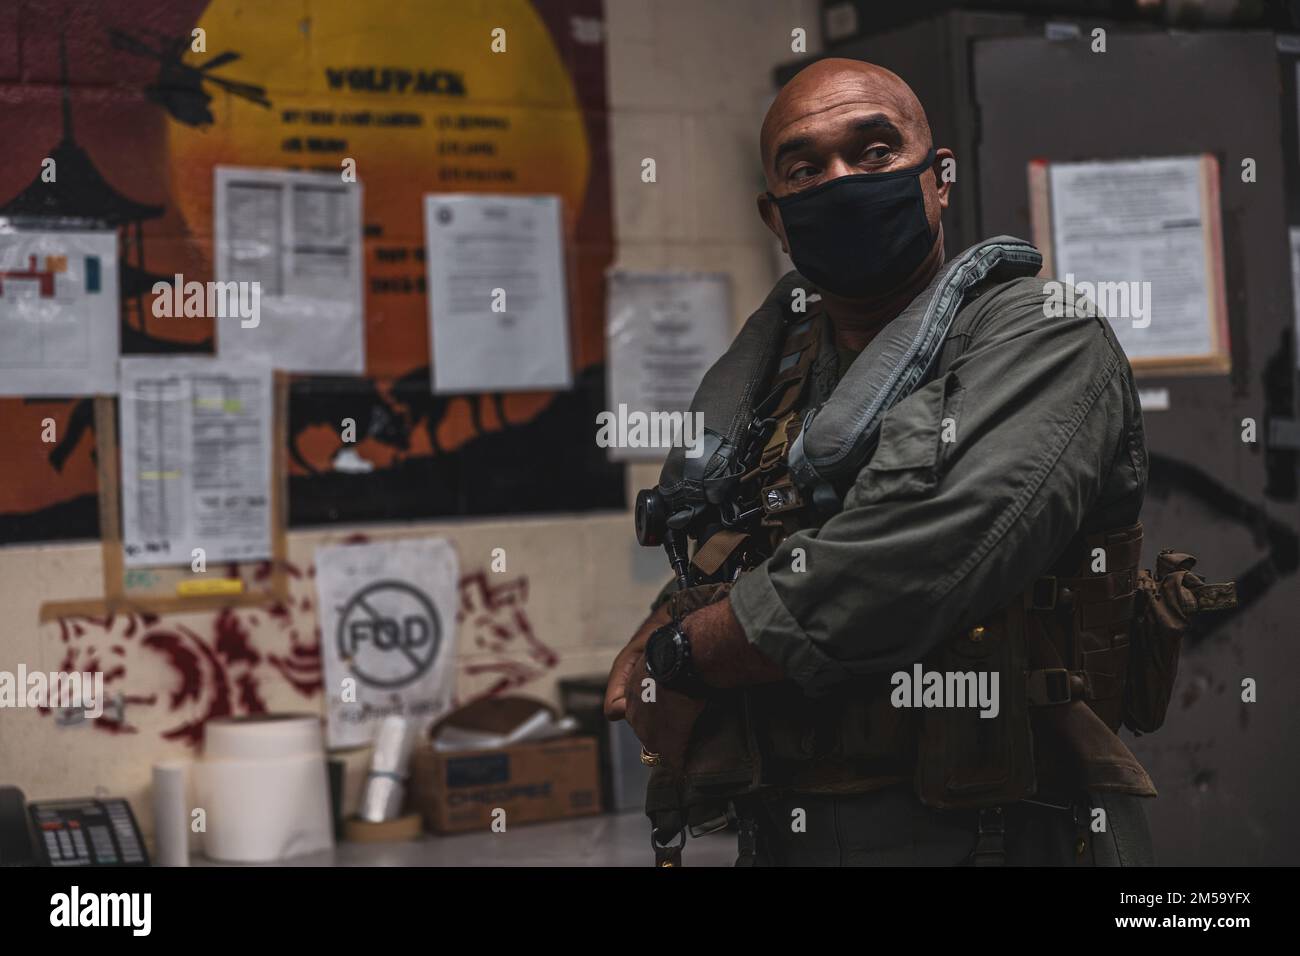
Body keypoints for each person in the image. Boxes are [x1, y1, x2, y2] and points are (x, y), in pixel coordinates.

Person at [603, 58, 1225, 866]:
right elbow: (747, 545)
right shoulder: (776, 377)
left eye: (873, 152)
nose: (840, 180)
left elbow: (912, 561)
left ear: (938, 181)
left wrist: (686, 653)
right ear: (777, 217)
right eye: (805, 167)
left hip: (999, 834)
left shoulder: (1040, 335)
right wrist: (669, 613)